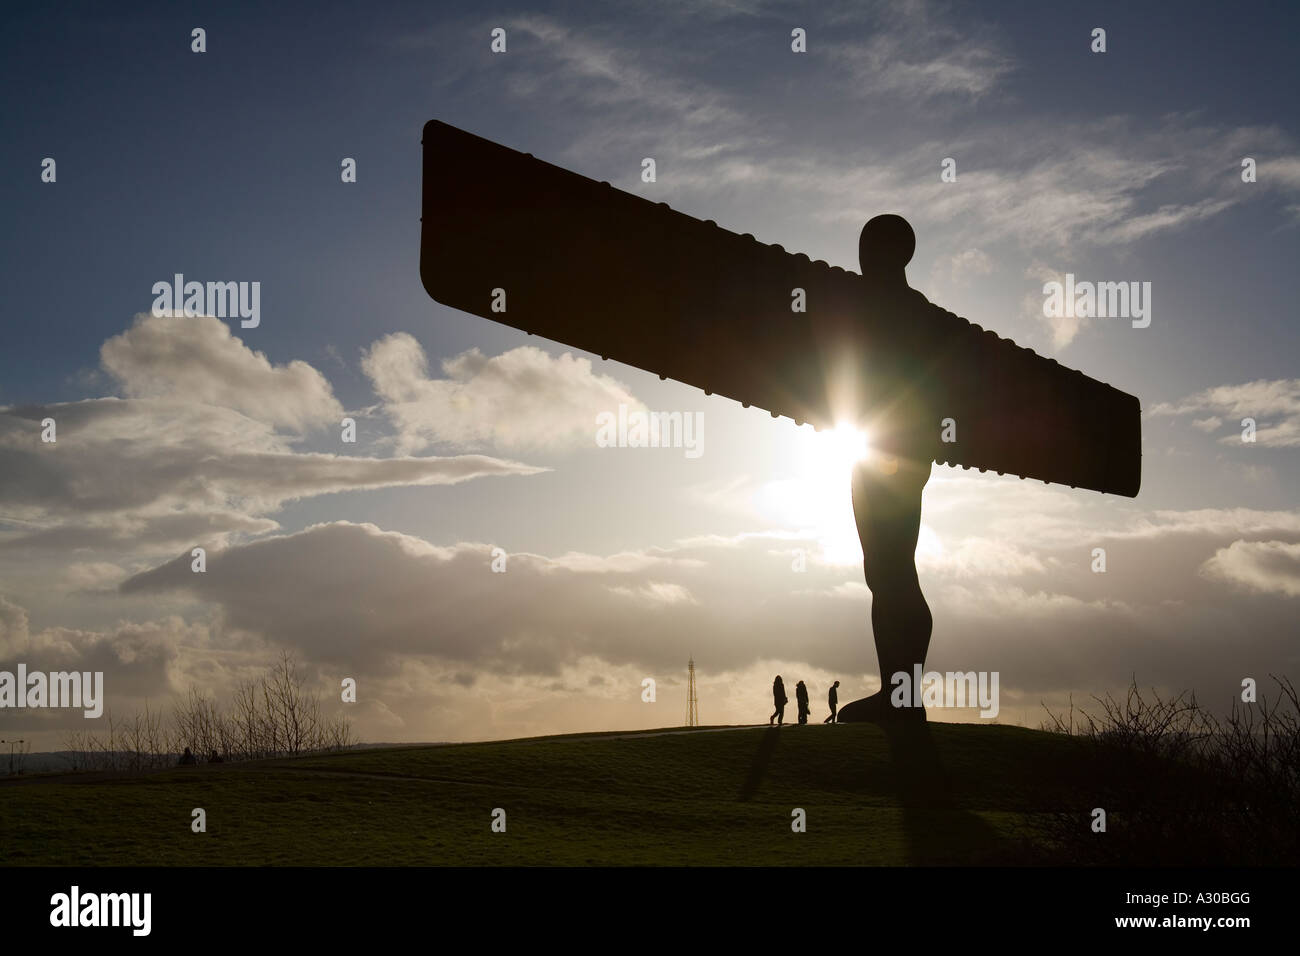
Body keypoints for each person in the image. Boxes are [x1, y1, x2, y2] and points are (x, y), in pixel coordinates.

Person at [837, 216, 934, 724]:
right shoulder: (908, 310)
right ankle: (899, 692)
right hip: (883, 447)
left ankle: (903, 697)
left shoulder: (877, 306)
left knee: (893, 570)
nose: (860, 256)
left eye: (868, 247)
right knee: (888, 570)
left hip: (889, 451)